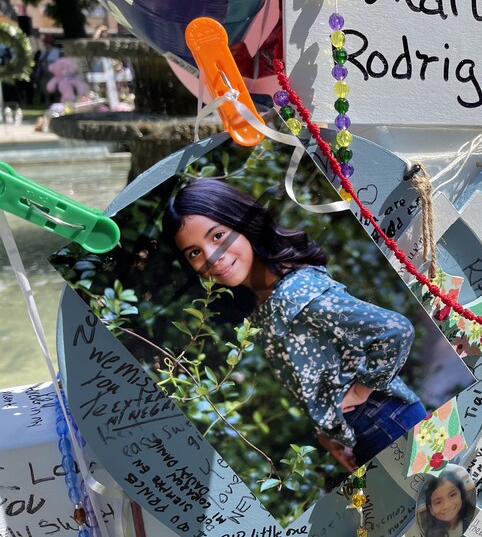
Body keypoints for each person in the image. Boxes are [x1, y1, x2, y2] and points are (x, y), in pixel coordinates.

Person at [163, 179, 426, 471]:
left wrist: (361, 392)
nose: (212, 257)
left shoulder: (296, 292)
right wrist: (330, 432)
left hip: (385, 420)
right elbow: (314, 374)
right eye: (194, 253)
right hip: (363, 430)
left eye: (218, 235)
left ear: (242, 223)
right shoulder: (265, 302)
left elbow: (395, 329)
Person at [419, 469, 477, 537]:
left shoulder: (474, 519)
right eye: (438, 502)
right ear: (431, 509)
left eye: (452, 495)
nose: (447, 505)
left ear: (461, 494)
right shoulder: (430, 533)